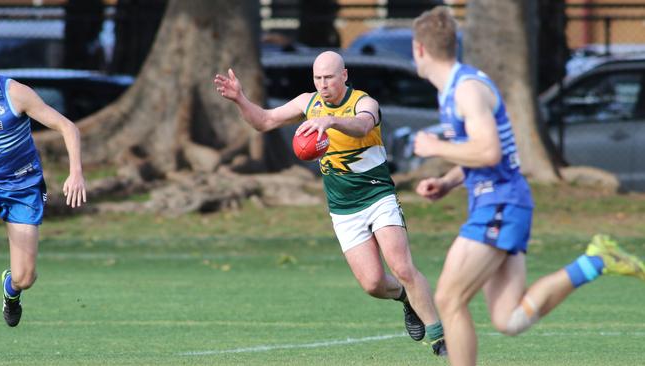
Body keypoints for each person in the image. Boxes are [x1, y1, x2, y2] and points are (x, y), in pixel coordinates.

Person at [411, 6, 645, 366]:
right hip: (501, 202)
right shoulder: (453, 90)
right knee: (509, 319)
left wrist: (433, 147)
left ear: (420, 49)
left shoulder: (466, 90)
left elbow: (488, 152)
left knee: (448, 299)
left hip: (500, 203)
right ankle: (595, 261)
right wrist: (447, 180)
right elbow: (486, 152)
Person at [214, 51, 447, 355]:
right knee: (373, 284)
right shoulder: (308, 103)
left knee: (402, 265)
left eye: (329, 77)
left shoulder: (364, 103)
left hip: (378, 196)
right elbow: (265, 121)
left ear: (344, 76)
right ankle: (407, 299)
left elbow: (363, 126)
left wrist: (331, 121)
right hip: (344, 209)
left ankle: (439, 338)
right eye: (318, 78)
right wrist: (240, 100)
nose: (323, 84)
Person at [0, 74, 86, 327]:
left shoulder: (15, 94)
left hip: (22, 187)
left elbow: (68, 127)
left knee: (24, 278)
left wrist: (76, 173)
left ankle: (10, 290)